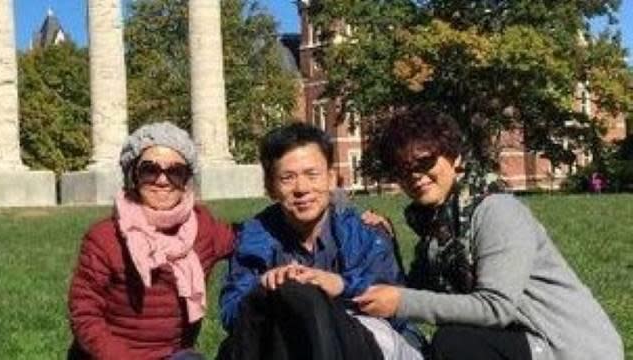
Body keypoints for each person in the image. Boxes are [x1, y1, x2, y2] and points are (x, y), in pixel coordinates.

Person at [352, 107, 624, 360]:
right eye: (402, 170)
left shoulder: (497, 211)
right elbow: (418, 293)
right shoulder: (438, 228)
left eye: (424, 162)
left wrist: (400, 302)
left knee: (454, 344)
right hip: (521, 340)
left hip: (569, 347)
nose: (415, 176)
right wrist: (387, 242)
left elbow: (495, 307)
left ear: (454, 156)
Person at [217, 123, 424, 360]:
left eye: (312, 174)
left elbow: (394, 308)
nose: (302, 188)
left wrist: (338, 285)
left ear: (331, 179)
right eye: (287, 178)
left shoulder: (366, 232)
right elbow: (231, 315)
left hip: (364, 343)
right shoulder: (254, 238)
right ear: (271, 187)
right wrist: (263, 290)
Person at [67, 122, 235, 359]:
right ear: (133, 174)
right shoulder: (104, 238)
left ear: (187, 179)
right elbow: (85, 314)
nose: (162, 181)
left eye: (175, 171)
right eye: (150, 170)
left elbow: (249, 237)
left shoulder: (204, 229)